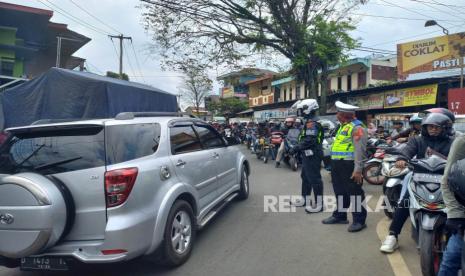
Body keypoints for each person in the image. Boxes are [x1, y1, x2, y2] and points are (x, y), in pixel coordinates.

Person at [380, 112, 455, 253]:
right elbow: (407, 151)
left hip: (446, 181)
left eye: (436, 127)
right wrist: (401, 159)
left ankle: (457, 238)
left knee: (458, 204)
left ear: (445, 128)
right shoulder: (417, 140)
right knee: (405, 202)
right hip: (420, 178)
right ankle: (392, 236)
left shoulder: (452, 142)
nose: (432, 129)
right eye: (430, 127)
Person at [322, 101, 368, 232]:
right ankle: (340, 216)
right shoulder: (343, 126)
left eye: (338, 113)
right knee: (340, 191)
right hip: (337, 164)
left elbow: (360, 151)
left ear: (344, 115)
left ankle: (359, 221)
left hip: (349, 164)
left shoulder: (357, 128)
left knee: (355, 193)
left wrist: (358, 170)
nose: (336, 115)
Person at [288, 99, 324, 212]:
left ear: (309, 109)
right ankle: (305, 200)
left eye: (302, 109)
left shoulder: (312, 123)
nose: (300, 112)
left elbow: (309, 140)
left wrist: (295, 148)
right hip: (308, 154)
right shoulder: (309, 121)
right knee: (305, 177)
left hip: (313, 154)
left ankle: (319, 205)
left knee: (315, 179)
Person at [437, 135, 465, 275]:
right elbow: (447, 179)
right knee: (450, 261)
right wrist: (455, 215)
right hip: (463, 212)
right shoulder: (462, 141)